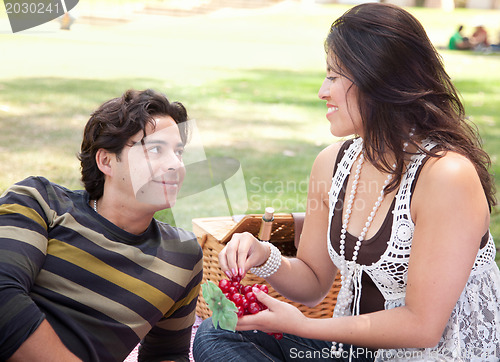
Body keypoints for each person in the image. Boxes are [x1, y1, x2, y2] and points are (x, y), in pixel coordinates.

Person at [193, 3, 500, 361]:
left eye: (334, 76)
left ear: (378, 80)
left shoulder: (446, 175)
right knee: (218, 333)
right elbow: (311, 283)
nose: (323, 91)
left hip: (436, 355)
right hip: (353, 350)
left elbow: (422, 328)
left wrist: (303, 327)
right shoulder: (333, 164)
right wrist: (264, 256)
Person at [0, 89, 203, 361]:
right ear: (106, 161)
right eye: (155, 149)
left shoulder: (183, 255)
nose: (175, 165)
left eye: (178, 152)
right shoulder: (40, 201)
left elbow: (167, 353)